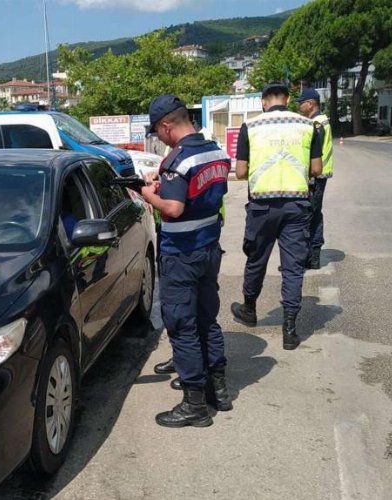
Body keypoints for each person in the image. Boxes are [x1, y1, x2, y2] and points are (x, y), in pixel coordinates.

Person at [140, 94, 232, 428]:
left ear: (167, 126)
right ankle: (217, 390)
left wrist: (148, 193)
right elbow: (201, 194)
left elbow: (175, 208)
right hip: (209, 247)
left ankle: (194, 404)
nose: (159, 138)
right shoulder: (216, 151)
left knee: (182, 324)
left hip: (182, 253)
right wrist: (164, 185)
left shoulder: (177, 160)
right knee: (208, 318)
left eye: (158, 132)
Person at [230, 82, 323, 350]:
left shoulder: (251, 126)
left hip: (262, 206)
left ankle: (249, 309)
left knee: (256, 258)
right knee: (293, 267)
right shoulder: (308, 126)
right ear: (288, 99)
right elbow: (316, 168)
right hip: (296, 204)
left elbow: (240, 172)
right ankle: (290, 329)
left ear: (263, 102)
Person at [296, 87, 333, 270]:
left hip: (315, 176)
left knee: (308, 215)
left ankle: (307, 256)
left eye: (301, 103)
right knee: (315, 214)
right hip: (321, 175)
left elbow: (313, 153)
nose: (299, 106)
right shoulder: (321, 120)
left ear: (310, 104)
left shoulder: (316, 124)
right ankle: (314, 256)